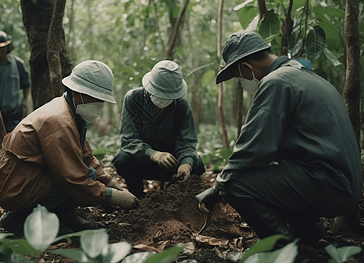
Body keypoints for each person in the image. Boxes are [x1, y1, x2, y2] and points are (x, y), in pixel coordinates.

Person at [196, 31, 363, 246]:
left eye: (238, 76)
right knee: (281, 170)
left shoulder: (276, 82)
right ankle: (309, 237)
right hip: (344, 183)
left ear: (247, 67)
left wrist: (219, 186)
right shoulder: (308, 76)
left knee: (237, 186)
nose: (240, 82)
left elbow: (254, 148)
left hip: (330, 184)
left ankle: (283, 251)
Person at [0, 60, 139, 237]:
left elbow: (86, 156)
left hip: (31, 178)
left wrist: (109, 182)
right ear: (78, 93)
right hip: (17, 188)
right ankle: (21, 218)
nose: (99, 104)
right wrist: (111, 197)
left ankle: (62, 215)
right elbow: (72, 179)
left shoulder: (71, 112)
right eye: (96, 98)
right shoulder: (59, 121)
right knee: (81, 176)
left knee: (89, 172)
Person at [113, 60, 206, 198]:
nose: (164, 99)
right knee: (122, 159)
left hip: (172, 164)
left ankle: (173, 195)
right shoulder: (133, 99)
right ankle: (137, 196)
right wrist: (153, 154)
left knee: (197, 166)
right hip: (143, 161)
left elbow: (187, 142)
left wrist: (186, 164)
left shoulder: (182, 107)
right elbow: (129, 140)